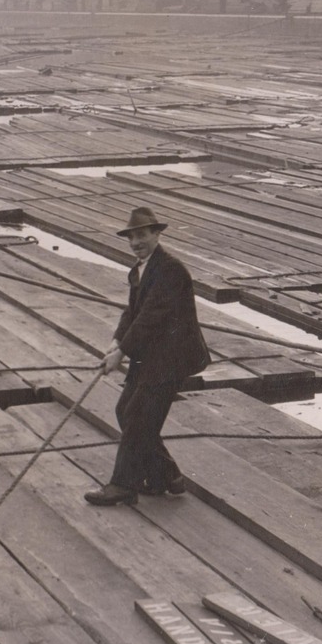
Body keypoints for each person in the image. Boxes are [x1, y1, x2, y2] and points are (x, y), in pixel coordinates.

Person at [84, 208, 211, 507]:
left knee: (138, 416)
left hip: (172, 358)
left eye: (142, 235)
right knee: (126, 411)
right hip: (150, 355)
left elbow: (151, 316)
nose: (136, 242)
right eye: (132, 237)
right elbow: (132, 312)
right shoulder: (140, 268)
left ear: (157, 234)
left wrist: (122, 353)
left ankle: (122, 485)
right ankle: (166, 476)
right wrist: (116, 343)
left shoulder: (170, 270)